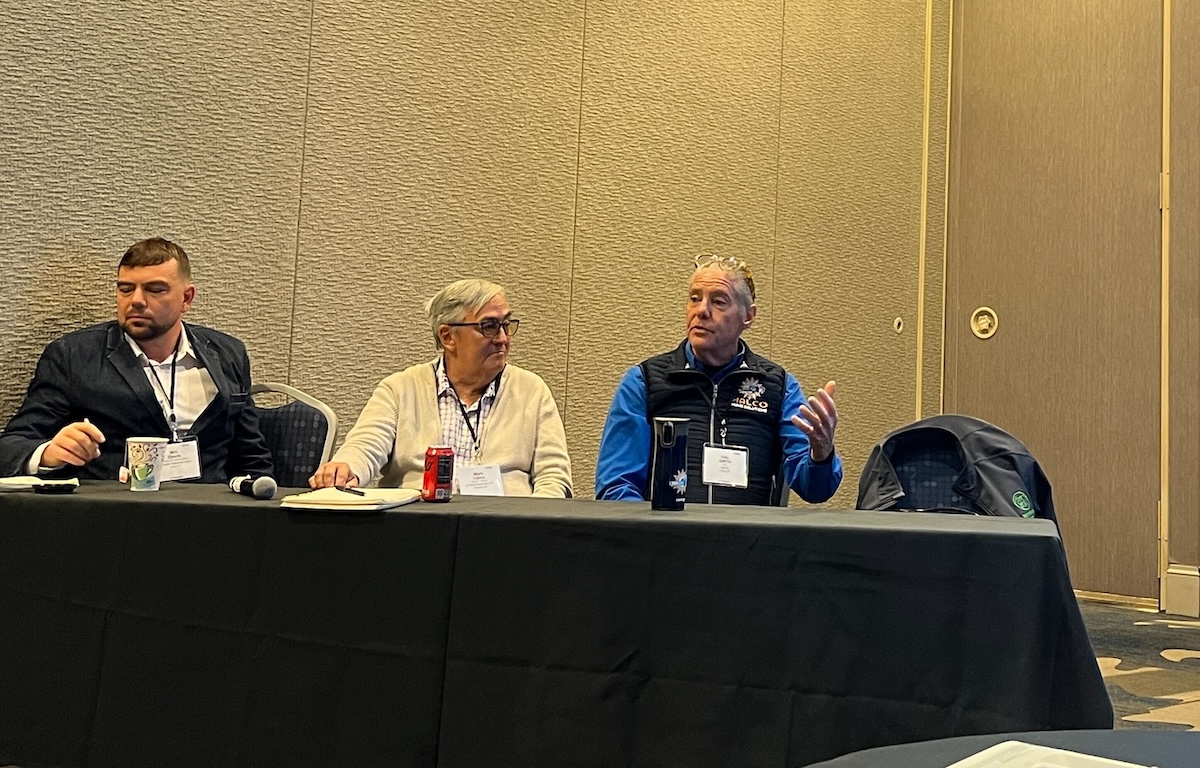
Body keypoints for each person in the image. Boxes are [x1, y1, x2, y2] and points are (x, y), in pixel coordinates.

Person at [0, 237, 274, 482]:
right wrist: (48, 454)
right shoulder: (73, 356)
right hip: (115, 515)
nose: (137, 301)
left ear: (186, 298)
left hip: (210, 515)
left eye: (155, 289)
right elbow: (12, 446)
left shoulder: (228, 353)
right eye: (125, 289)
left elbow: (252, 458)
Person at [595, 254, 842, 505]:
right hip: (666, 539)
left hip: (749, 540)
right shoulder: (644, 382)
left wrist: (820, 454)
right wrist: (657, 535)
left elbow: (816, 490)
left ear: (748, 316)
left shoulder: (778, 386)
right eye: (694, 299)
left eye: (719, 302)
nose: (702, 311)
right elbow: (617, 487)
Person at [309, 279, 572, 497]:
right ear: (448, 337)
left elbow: (555, 479)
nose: (503, 339)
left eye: (506, 325)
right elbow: (365, 447)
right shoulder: (400, 389)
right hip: (419, 528)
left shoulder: (532, 391)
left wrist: (532, 527)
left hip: (506, 533)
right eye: (489, 327)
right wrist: (346, 468)